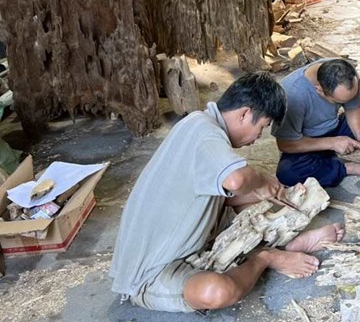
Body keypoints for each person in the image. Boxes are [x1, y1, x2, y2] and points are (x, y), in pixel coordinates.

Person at [110, 72, 344, 313]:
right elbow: (236, 180)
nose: (257, 138)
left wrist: (268, 190)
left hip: (185, 239)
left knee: (259, 198)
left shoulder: (199, 124)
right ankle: (267, 257)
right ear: (244, 114)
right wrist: (260, 179)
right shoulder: (204, 130)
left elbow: (233, 188)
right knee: (218, 291)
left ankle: (288, 242)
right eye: (261, 127)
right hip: (151, 272)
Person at [272, 58, 360, 187]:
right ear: (319, 90)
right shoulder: (291, 94)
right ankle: (346, 168)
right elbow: (285, 144)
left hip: (336, 129)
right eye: (339, 101)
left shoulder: (345, 72)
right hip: (308, 143)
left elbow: (354, 106)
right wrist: (332, 143)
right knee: (287, 173)